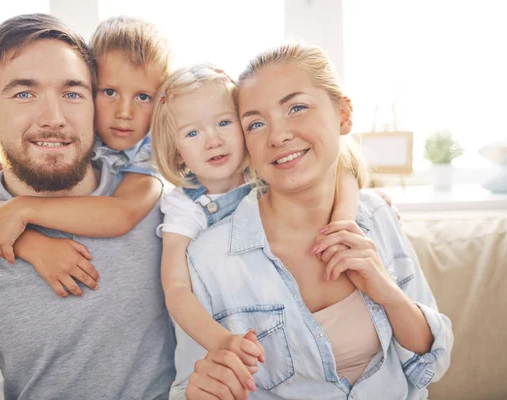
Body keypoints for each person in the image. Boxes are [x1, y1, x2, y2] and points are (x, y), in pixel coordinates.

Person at [0, 14, 175, 399]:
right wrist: (28, 242)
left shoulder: (163, 205)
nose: (53, 119)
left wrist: (22, 213)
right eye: (24, 93)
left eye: (72, 93)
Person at [171, 43, 453, 400]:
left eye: (297, 108)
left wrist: (389, 295)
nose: (277, 136)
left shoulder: (377, 216)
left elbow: (431, 364)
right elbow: (185, 386)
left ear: (343, 114)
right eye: (256, 124)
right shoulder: (208, 259)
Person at [150, 63, 364, 393]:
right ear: (177, 155)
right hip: (224, 321)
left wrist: (343, 222)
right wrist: (220, 341)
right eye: (193, 133)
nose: (213, 140)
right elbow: (176, 288)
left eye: (224, 123)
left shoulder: (266, 170)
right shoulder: (184, 205)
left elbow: (344, 168)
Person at [0, 15, 170, 297]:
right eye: (108, 92)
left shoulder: (150, 153)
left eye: (143, 97)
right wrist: (31, 245)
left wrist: (23, 209)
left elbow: (121, 214)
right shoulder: (71, 139)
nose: (124, 112)